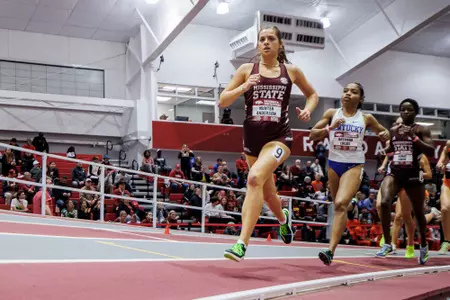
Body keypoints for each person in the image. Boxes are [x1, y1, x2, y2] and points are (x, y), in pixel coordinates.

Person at [220, 25, 319, 262]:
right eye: (262, 39)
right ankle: (284, 220)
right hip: (252, 139)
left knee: (253, 178)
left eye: (271, 38)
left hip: (279, 138)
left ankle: (241, 243)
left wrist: (307, 111)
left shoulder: (291, 71)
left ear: (279, 44)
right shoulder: (246, 70)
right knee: (267, 193)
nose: (266, 42)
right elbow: (223, 101)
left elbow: (312, 94)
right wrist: (245, 86)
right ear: (258, 44)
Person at [310, 82, 389, 266]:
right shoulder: (331, 114)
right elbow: (313, 134)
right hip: (334, 164)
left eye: (353, 92)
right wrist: (331, 127)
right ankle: (351, 202)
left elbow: (383, 133)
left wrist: (385, 136)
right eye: (345, 91)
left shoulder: (366, 117)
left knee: (339, 204)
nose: (347, 94)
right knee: (338, 205)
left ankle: (330, 251)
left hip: (353, 164)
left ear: (360, 98)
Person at [376, 99, 434, 265]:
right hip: (395, 172)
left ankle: (423, 244)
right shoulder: (394, 130)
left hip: (413, 176)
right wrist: (383, 151)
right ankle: (387, 243)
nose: (406, 113)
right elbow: (392, 148)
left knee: (418, 213)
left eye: (409, 110)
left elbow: (430, 150)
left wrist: (414, 138)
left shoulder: (422, 129)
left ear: (416, 112)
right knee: (384, 203)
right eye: (403, 110)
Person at [435, 139, 450, 254]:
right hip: (447, 182)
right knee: (445, 208)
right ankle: (446, 241)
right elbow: (445, 152)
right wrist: (441, 162)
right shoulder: (449, 143)